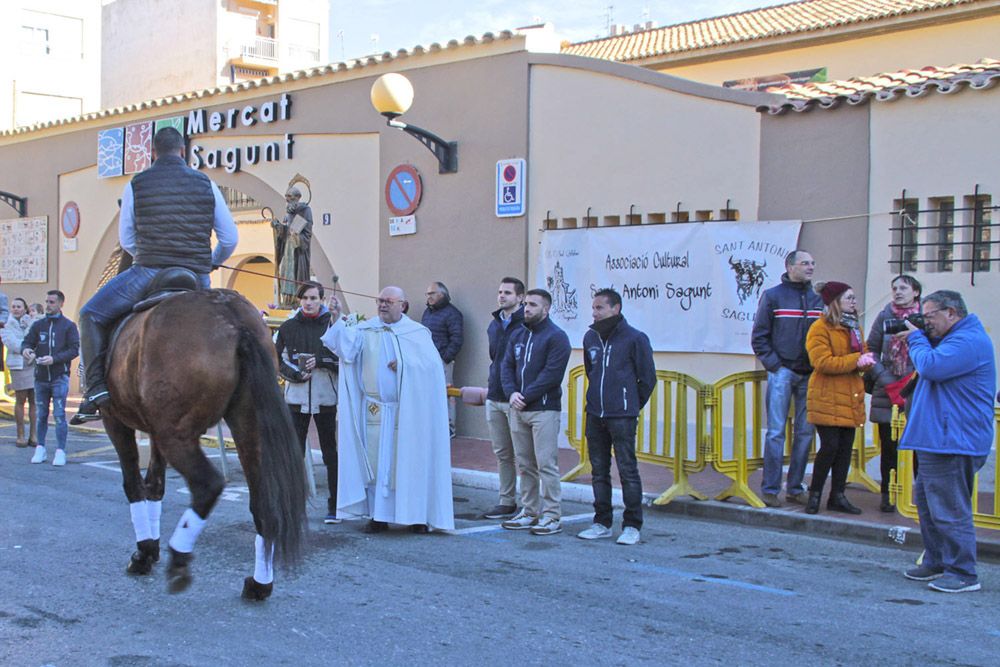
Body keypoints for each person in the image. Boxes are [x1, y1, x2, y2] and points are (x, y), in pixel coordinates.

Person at [73, 127, 238, 422]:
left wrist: (148, 255)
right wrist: (211, 262)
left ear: (152, 152)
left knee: (90, 314)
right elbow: (229, 239)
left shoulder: (137, 183)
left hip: (149, 271)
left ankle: (96, 388)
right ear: (183, 151)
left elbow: (127, 240)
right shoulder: (206, 184)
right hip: (197, 277)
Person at [320, 287, 454, 533]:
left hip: (408, 412)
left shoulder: (416, 333)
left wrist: (404, 365)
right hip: (374, 411)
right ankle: (378, 516)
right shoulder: (366, 329)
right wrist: (336, 317)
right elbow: (344, 350)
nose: (382, 305)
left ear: (402, 305)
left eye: (388, 301)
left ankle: (416, 517)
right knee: (377, 466)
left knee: (410, 463)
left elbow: (432, 369)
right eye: (379, 300)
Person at [900, 290, 996, 593]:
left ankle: (963, 572)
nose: (926, 323)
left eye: (930, 316)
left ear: (951, 313)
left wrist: (915, 339)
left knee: (950, 509)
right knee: (929, 506)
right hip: (938, 438)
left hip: (954, 439)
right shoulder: (953, 340)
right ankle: (937, 561)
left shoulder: (968, 341)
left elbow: (932, 367)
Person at [576, 289, 656, 546]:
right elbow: (592, 372)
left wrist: (629, 404)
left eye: (600, 308)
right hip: (595, 413)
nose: (594, 312)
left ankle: (632, 525)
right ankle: (601, 522)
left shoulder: (635, 338)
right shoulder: (590, 337)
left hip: (622, 416)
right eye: (594, 308)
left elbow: (647, 379)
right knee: (598, 471)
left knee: (627, 470)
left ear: (616, 308)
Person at [751, 250, 824, 507]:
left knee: (805, 432)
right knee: (775, 433)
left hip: (811, 374)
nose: (810, 267)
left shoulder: (818, 299)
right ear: (790, 266)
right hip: (782, 371)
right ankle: (770, 488)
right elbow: (759, 336)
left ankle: (794, 487)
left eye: (813, 263)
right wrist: (775, 366)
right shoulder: (773, 296)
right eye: (805, 263)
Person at [500, 289, 571, 536]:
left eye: (532, 305)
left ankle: (552, 515)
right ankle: (529, 511)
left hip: (543, 410)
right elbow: (506, 366)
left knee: (546, 464)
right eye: (526, 304)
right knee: (525, 464)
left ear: (546, 309)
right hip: (517, 408)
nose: (527, 309)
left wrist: (526, 396)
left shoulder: (557, 337)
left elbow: (552, 374)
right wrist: (511, 394)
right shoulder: (518, 334)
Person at [803, 282, 874, 515]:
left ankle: (838, 495)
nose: (854, 302)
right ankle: (814, 494)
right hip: (827, 394)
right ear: (835, 302)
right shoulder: (820, 328)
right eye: (849, 298)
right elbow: (822, 362)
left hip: (850, 394)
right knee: (830, 446)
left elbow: (860, 354)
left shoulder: (854, 327)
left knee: (845, 448)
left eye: (854, 298)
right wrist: (856, 360)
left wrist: (865, 362)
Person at [275, 281, 340, 524]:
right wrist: (296, 375)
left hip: (326, 397)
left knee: (330, 453)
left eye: (314, 298)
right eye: (305, 298)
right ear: (299, 300)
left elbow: (343, 357)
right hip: (296, 398)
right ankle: (292, 505)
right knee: (294, 452)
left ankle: (335, 505)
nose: (309, 302)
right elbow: (278, 360)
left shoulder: (332, 324)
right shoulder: (288, 327)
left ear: (321, 299)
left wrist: (320, 362)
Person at [866, 274, 922, 512]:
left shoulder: (925, 317)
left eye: (903, 288)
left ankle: (920, 495)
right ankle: (888, 494)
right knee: (889, 446)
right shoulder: (884, 316)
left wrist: (914, 378)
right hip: (887, 390)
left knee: (920, 446)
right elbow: (870, 351)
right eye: (894, 288)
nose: (898, 292)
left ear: (916, 292)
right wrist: (884, 378)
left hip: (916, 387)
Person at [481, 277, 525, 520]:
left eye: (507, 293)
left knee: (524, 454)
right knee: (502, 453)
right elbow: (494, 357)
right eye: (500, 292)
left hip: (517, 397)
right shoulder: (494, 324)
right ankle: (506, 500)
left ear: (520, 297)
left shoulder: (525, 325)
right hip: (494, 394)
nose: (502, 296)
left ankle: (530, 503)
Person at [21, 290, 79, 466]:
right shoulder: (39, 325)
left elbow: (74, 349)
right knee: (41, 414)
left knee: (60, 414)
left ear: (61, 304)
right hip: (40, 377)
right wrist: (27, 350)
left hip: (59, 376)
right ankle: (41, 447)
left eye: (52, 302)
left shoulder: (68, 326)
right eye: (47, 301)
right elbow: (28, 341)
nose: (48, 305)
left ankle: (60, 450)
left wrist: (54, 359)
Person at [421, 281, 464, 437]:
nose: (428, 297)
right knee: (429, 394)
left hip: (442, 361)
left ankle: (449, 430)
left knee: (447, 394)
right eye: (427, 294)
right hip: (427, 361)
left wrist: (445, 358)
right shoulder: (428, 312)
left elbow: (457, 339)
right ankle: (433, 427)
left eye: (432, 293)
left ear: (442, 294)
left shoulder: (453, 313)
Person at [2, 297, 37, 447]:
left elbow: (36, 338)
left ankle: (34, 435)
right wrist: (26, 348)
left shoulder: (33, 322)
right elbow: (9, 341)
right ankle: (20, 434)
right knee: (20, 400)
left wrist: (31, 349)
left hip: (33, 364)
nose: (15, 309)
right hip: (18, 365)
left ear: (25, 309)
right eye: (13, 306)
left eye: (18, 306)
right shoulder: (7, 324)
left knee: (34, 401)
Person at [273, 186, 313, 309]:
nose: (288, 200)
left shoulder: (306, 210)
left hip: (298, 251)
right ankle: (286, 301)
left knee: (296, 275)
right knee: (285, 273)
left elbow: (307, 233)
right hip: (287, 249)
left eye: (290, 197)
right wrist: (279, 227)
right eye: (287, 197)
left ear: (298, 197)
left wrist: (296, 236)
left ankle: (296, 301)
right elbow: (285, 231)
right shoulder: (288, 213)